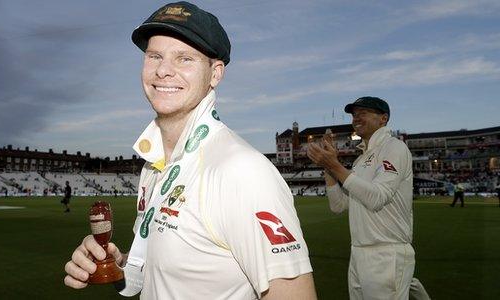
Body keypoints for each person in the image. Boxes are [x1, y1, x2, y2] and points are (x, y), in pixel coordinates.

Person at [64, 2, 316, 299]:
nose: (163, 71)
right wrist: (115, 263)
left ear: (215, 74)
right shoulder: (153, 164)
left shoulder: (242, 171)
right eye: (154, 56)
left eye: (184, 58)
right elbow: (157, 271)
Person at [307, 96, 429, 299]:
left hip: (386, 252)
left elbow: (377, 198)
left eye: (363, 113)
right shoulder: (361, 160)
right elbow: (338, 205)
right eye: (354, 115)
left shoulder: (394, 148)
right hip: (358, 251)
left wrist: (336, 165)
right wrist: (329, 167)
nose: (356, 118)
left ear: (383, 118)